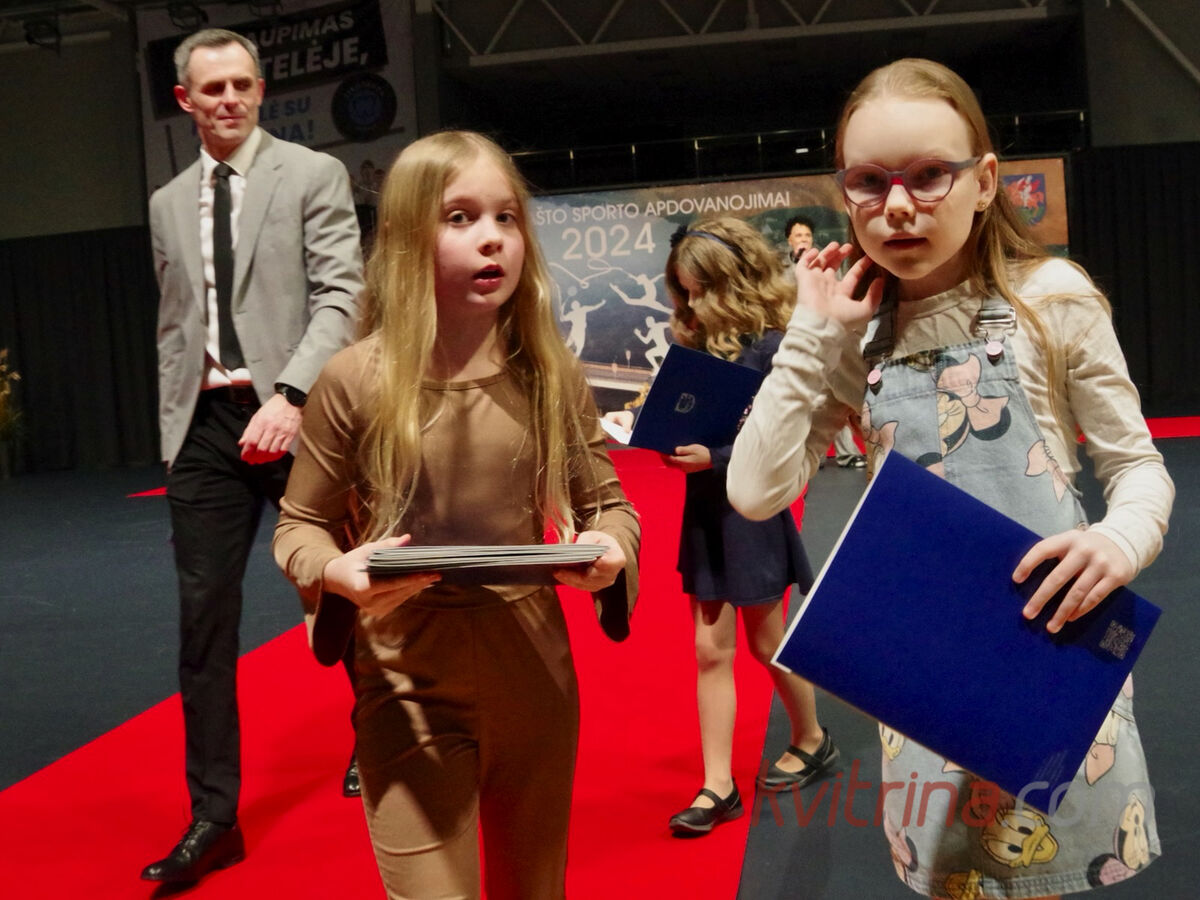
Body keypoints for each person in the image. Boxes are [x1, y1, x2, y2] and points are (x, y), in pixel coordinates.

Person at [728, 58, 1171, 899]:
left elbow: (1137, 465)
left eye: (930, 175)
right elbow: (754, 490)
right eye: (869, 181)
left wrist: (1120, 539)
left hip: (1051, 650)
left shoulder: (1052, 298)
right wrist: (811, 333)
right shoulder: (853, 334)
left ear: (985, 181)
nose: (897, 205)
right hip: (926, 673)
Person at [272, 130, 641, 899]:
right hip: (405, 683)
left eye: (507, 217)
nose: (492, 238)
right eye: (460, 217)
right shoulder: (353, 380)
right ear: (409, 237)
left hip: (536, 678)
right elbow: (298, 525)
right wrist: (335, 572)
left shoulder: (549, 375)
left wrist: (611, 550)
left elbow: (609, 505)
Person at [143, 28, 364, 884]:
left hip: (299, 419)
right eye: (213, 88)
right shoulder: (166, 203)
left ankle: (378, 732)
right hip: (205, 431)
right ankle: (214, 817)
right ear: (185, 101)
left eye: (243, 84)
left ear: (262, 90)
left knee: (346, 589)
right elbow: (174, 327)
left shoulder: (312, 174)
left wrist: (293, 395)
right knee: (203, 623)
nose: (230, 98)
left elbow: (341, 294)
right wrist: (173, 435)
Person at [612, 217, 838, 838]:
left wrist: (711, 457)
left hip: (752, 513)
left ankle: (812, 738)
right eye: (682, 291)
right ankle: (718, 786)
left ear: (730, 280)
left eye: (698, 289)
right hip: (706, 513)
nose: (689, 303)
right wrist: (653, 431)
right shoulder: (697, 342)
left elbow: (782, 442)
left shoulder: (775, 347)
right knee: (709, 651)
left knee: (767, 646)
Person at [785, 214, 866, 468]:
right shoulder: (783, 271)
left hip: (829, 336)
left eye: (807, 235)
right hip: (796, 336)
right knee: (813, 402)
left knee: (839, 392)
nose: (803, 239)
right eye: (798, 235)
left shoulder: (829, 265)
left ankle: (847, 453)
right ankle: (810, 457)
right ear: (789, 240)